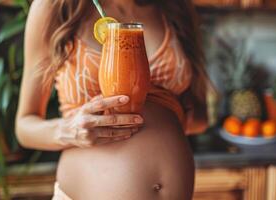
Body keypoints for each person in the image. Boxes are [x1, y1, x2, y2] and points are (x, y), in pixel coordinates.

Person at [16, 0, 212, 199]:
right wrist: (68, 130)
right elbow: (24, 126)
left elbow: (198, 118)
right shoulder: (53, 7)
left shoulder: (176, 6)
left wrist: (165, 118)